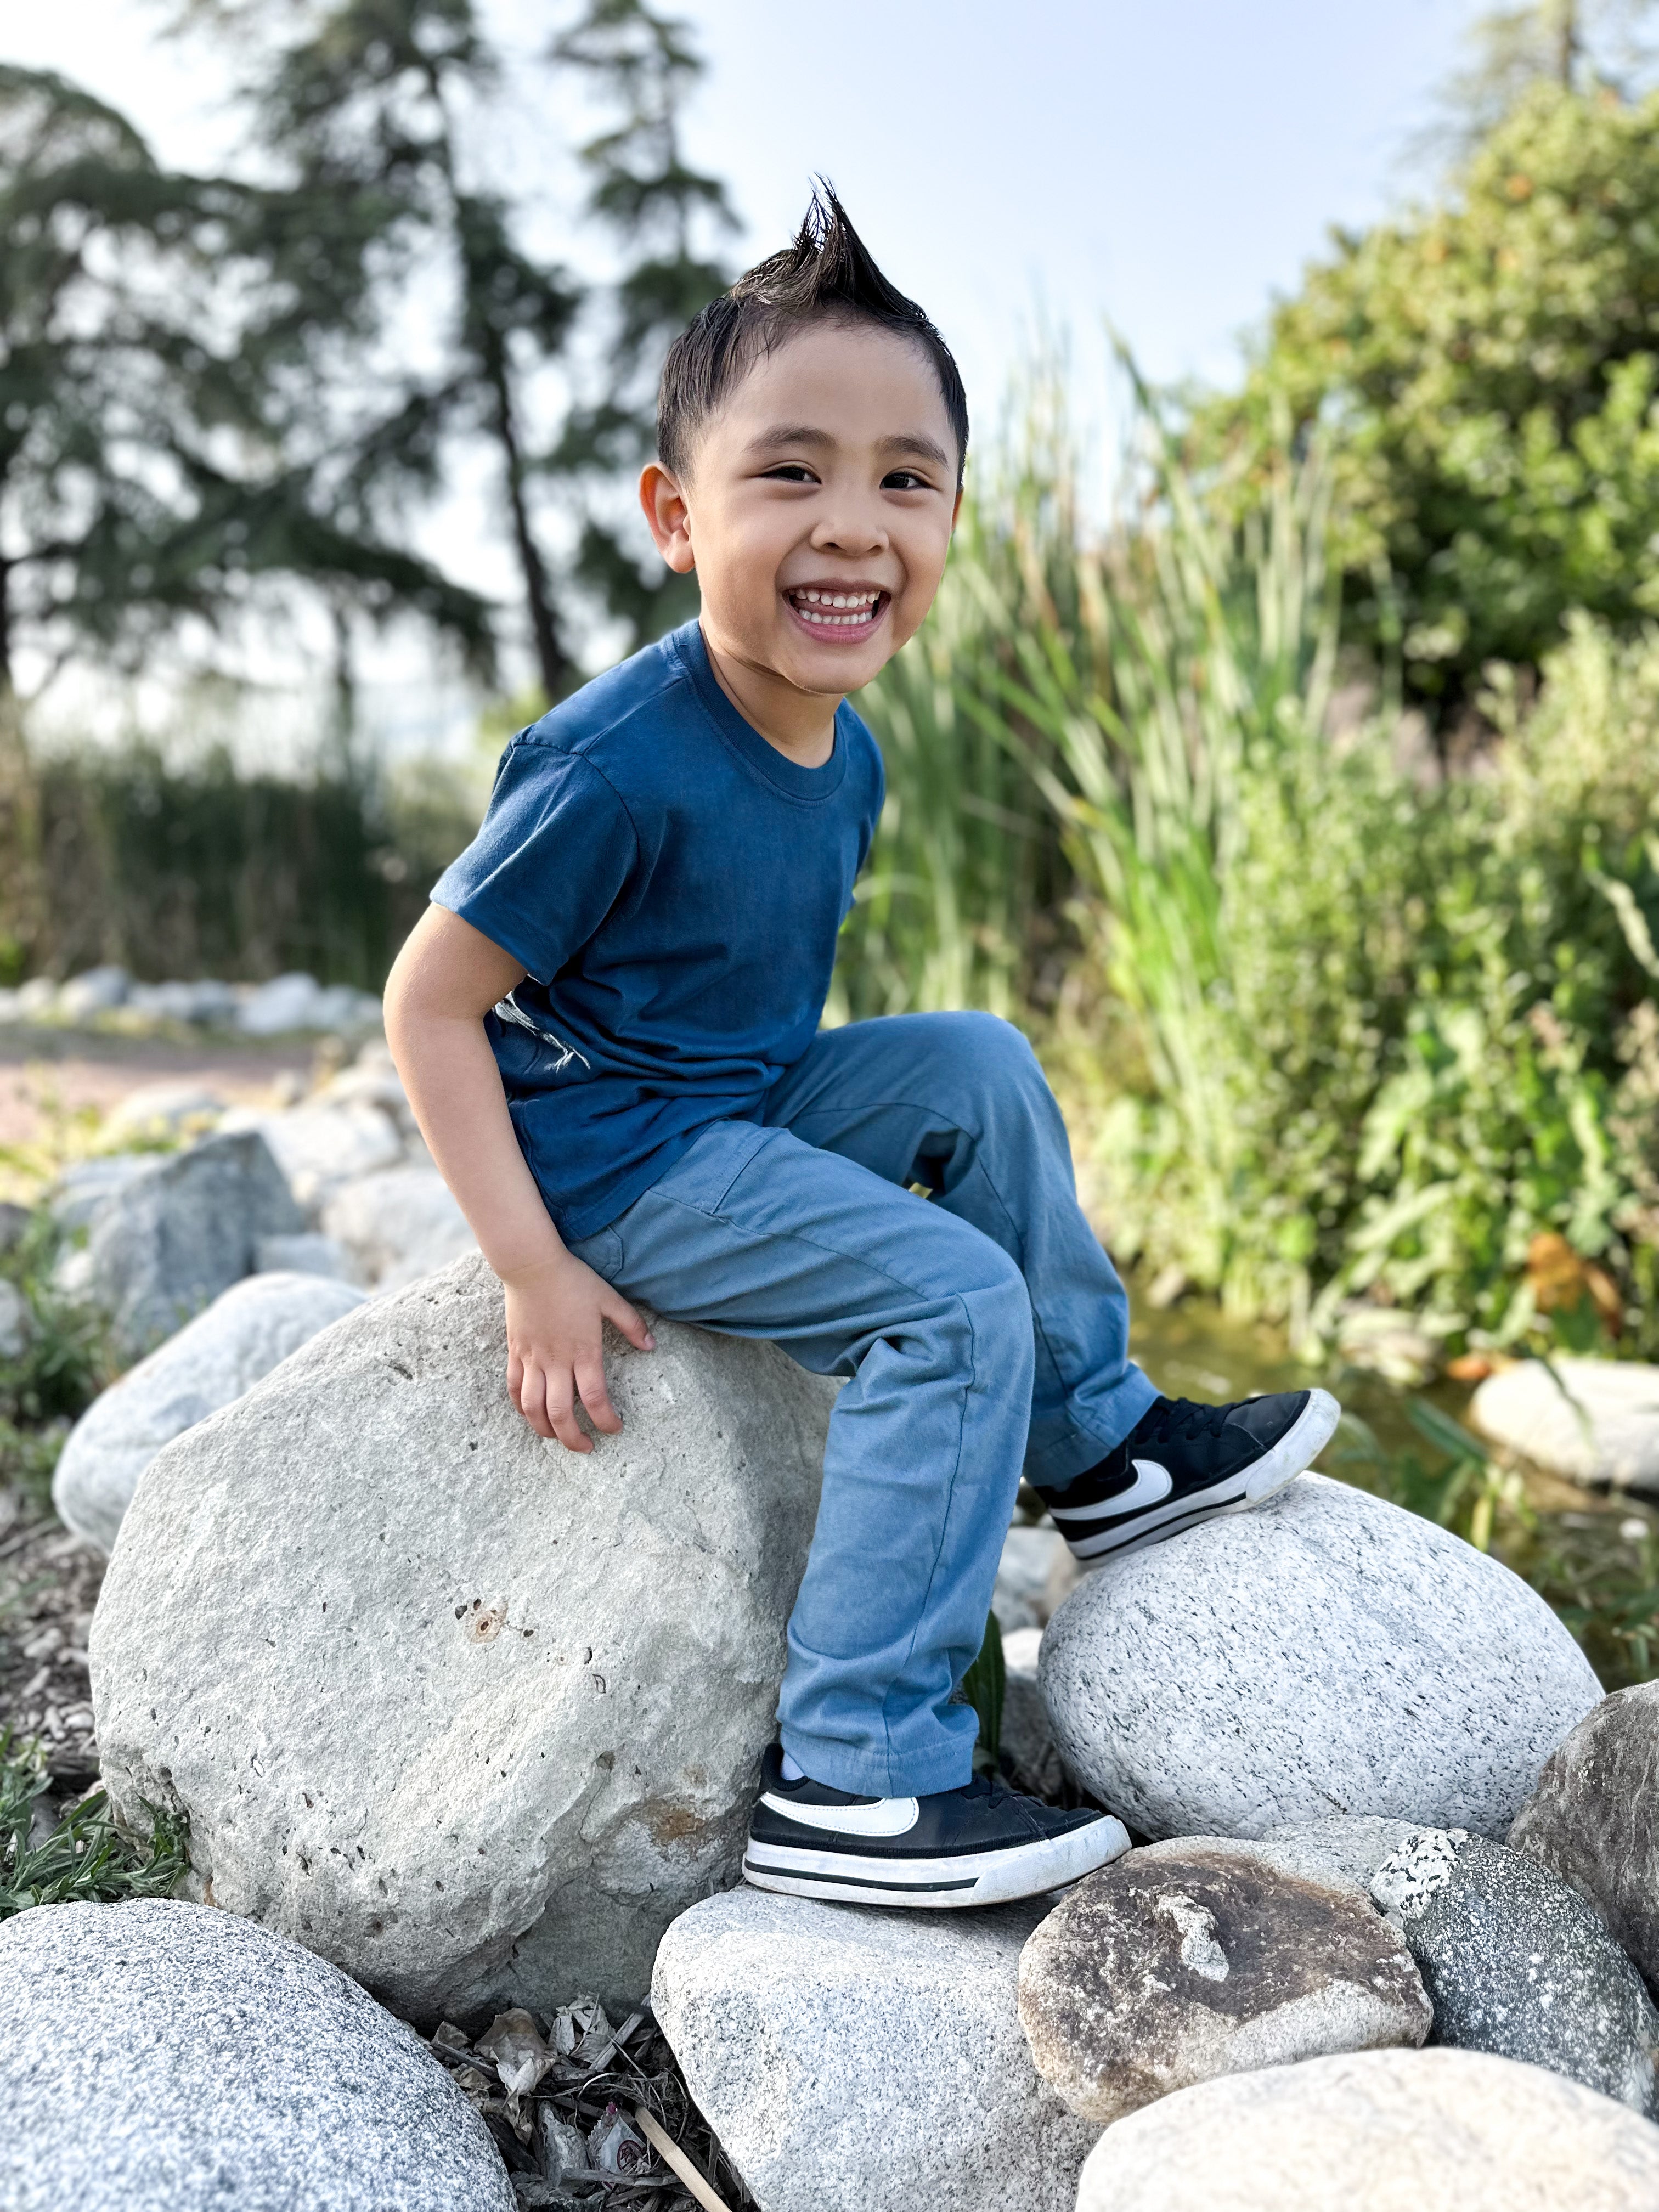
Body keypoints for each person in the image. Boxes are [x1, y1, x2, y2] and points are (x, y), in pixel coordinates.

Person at [383, 186, 1338, 1911]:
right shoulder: (616, 765)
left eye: (907, 479)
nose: (853, 525)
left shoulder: (855, 750)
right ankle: (860, 1770)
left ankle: (1093, 1445)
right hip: (613, 1153)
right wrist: (528, 1267)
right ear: (678, 515)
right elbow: (431, 1001)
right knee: (939, 1299)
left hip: (734, 1106)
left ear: (956, 516)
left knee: (974, 1054)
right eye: (792, 472)